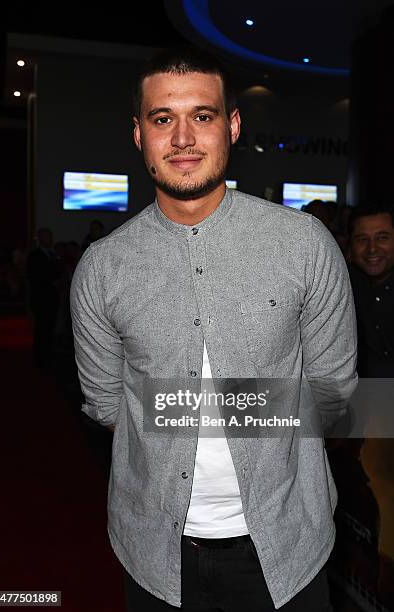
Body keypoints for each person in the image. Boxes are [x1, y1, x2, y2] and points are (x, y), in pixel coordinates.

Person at [70, 46, 357, 611]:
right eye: (162, 119)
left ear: (232, 126)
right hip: (154, 551)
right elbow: (106, 405)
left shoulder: (303, 246)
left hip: (288, 546)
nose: (182, 138)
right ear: (138, 134)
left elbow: (333, 391)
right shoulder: (103, 268)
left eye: (201, 116)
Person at [348, 205, 394, 377]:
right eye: (362, 239)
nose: (372, 249)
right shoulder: (340, 288)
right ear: (350, 245)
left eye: (382, 238)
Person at [27, 227, 62, 371]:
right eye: (47, 236)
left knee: (49, 330)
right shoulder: (34, 255)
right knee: (42, 331)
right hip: (41, 299)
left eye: (50, 235)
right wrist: (51, 281)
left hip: (52, 298)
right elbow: (34, 277)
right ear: (40, 238)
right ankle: (40, 361)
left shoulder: (52, 254)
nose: (50, 238)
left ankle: (47, 357)